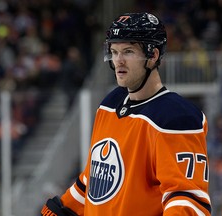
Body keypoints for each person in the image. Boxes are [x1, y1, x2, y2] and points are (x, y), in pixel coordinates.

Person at [40, 12, 211, 216]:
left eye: (128, 51)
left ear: (153, 55)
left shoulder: (175, 117)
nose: (118, 61)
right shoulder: (110, 104)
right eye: (114, 51)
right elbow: (93, 180)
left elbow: (187, 200)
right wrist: (66, 208)